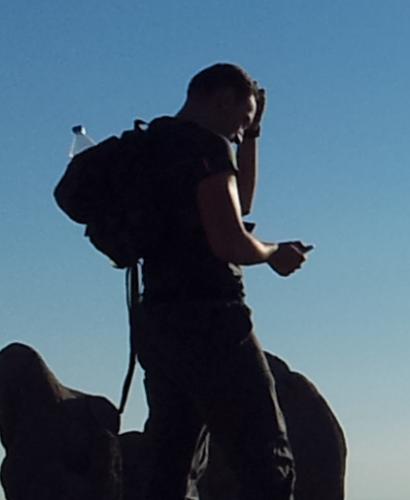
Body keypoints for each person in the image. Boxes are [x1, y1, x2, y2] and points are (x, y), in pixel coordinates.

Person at [135, 63, 311, 500]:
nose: (238, 133)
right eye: (242, 120)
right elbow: (230, 240)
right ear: (221, 100)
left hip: (157, 319)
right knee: (267, 459)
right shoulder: (204, 147)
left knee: (172, 460)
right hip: (213, 319)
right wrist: (273, 253)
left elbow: (240, 202)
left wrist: (253, 136)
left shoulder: (152, 144)